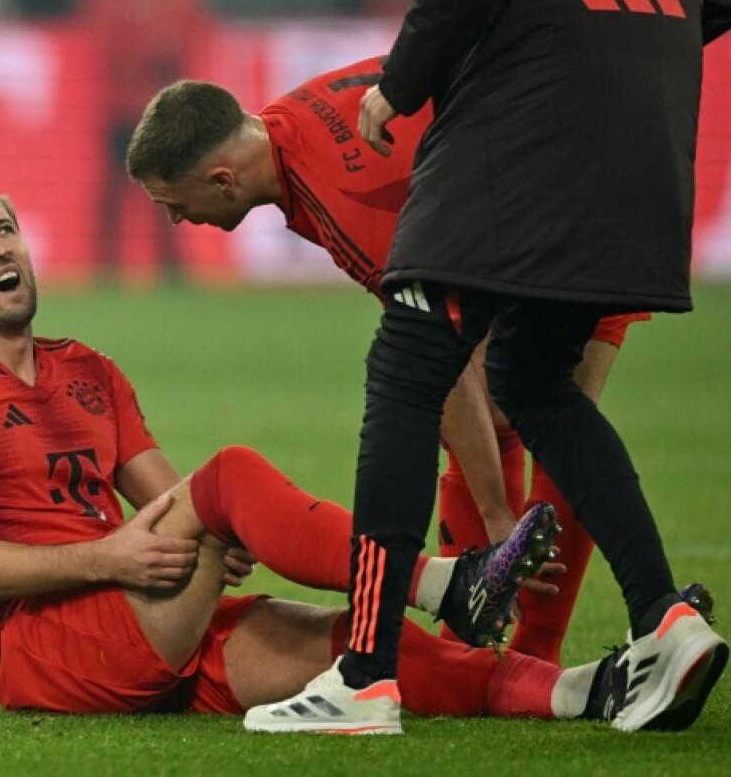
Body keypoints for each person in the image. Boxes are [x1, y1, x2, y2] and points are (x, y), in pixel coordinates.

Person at [256, 0, 731, 735]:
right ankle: (664, 620)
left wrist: (401, 84)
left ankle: (363, 678)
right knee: (534, 379)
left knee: (405, 373)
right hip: (651, 139)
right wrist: (609, 50)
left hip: (521, 134)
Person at [0, 174, 643, 727]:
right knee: (234, 472)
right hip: (41, 645)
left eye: (4, 229)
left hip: (138, 615)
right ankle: (447, 584)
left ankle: (583, 690)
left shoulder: (88, 369)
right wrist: (113, 557)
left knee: (349, 649)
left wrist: (220, 535)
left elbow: (175, 501)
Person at [125, 55, 646, 664]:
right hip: (580, 156)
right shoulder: (288, 128)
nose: (174, 219)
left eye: (172, 202)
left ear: (222, 180)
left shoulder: (347, 207)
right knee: (514, 410)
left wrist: (499, 520)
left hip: (578, 197)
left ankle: (542, 647)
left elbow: (439, 364)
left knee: (551, 417)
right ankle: (506, 646)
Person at [73, 0, 212, 283]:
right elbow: (107, 44)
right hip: (126, 107)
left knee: (165, 191)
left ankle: (167, 265)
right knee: (119, 192)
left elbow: (190, 39)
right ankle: (109, 266)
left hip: (157, 109)